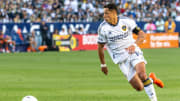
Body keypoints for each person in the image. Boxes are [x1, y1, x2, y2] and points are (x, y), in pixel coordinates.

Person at [97, 4, 164, 101]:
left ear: (114, 13)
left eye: (107, 13)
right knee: (139, 87)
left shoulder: (126, 21)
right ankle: (152, 79)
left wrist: (135, 45)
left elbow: (141, 34)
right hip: (121, 59)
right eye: (104, 13)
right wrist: (103, 64)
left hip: (133, 51)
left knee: (142, 74)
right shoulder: (103, 28)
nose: (104, 16)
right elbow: (100, 47)